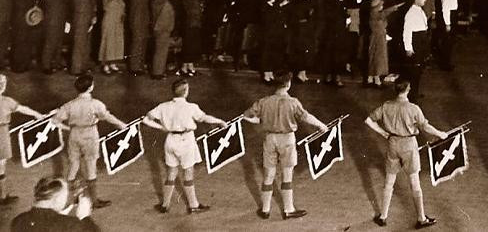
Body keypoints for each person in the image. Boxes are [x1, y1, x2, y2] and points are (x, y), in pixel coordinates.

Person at [242, 72, 326, 220]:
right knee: (287, 175)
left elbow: (246, 116)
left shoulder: (263, 101)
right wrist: (321, 126)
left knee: (268, 175)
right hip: (287, 140)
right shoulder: (293, 102)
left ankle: (265, 209)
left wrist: (261, 122)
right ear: (288, 84)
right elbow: (306, 117)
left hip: (269, 138)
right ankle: (288, 209)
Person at [365, 79, 447, 229]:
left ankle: (383, 216)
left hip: (392, 144)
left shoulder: (386, 106)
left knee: (389, 181)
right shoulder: (413, 108)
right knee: (414, 182)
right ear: (408, 90)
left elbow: (368, 120)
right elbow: (425, 127)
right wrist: (440, 134)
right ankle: (421, 218)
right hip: (409, 145)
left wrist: (383, 133)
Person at [142, 79, 226, 214]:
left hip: (170, 140)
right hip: (186, 141)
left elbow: (146, 119)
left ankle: (165, 204)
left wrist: (161, 127)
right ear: (185, 92)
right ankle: (193, 205)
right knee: (188, 173)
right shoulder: (191, 107)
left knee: (171, 172)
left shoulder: (163, 106)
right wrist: (220, 122)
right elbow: (204, 118)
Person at [52, 74, 127, 208]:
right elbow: (106, 116)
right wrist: (121, 124)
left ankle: (69, 198)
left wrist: (68, 128)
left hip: (74, 134)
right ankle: (94, 200)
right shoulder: (95, 104)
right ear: (91, 87)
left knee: (73, 165)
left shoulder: (69, 105)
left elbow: (55, 121)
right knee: (91, 166)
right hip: (90, 134)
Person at [0, 74, 46, 205]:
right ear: (3, 87)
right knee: (1, 166)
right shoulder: (7, 101)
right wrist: (37, 114)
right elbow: (22, 109)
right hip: (1, 134)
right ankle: (2, 197)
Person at [11, 176, 99, 231]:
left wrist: (58, 214)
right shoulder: (70, 224)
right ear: (57, 199)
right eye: (65, 196)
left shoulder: (18, 221)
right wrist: (84, 217)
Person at [402, 0, 431, 99]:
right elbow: (407, 31)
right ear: (416, 0)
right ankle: (411, 94)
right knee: (415, 69)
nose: (425, 0)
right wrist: (408, 48)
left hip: (421, 40)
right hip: (416, 41)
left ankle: (415, 91)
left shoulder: (420, 10)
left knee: (419, 69)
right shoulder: (411, 14)